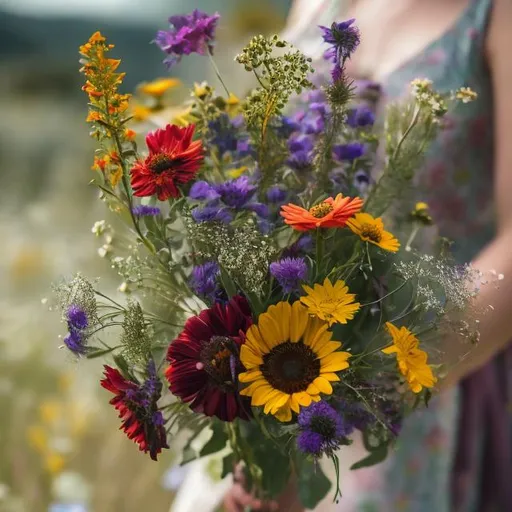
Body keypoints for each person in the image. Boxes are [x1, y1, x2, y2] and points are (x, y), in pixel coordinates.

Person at [223, 0, 512, 510]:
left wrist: (346, 403)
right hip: (286, 378)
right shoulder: (317, 4)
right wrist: (263, 425)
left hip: (440, 387)